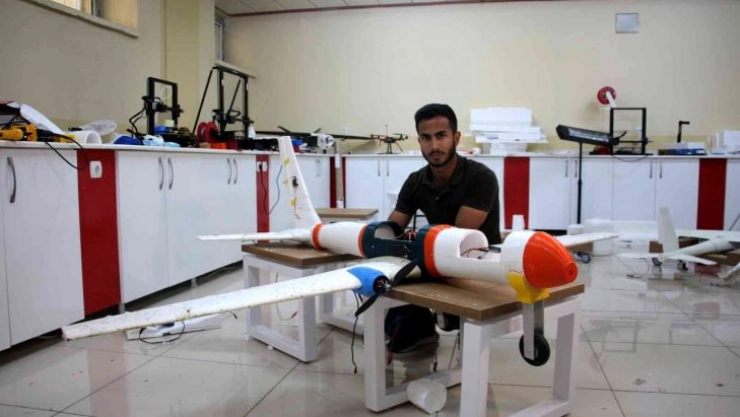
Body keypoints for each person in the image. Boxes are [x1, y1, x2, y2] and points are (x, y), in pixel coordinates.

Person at [385, 103, 501, 354]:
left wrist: (412, 239)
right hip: (437, 256)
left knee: (415, 268)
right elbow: (392, 226)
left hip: (478, 263)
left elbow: (457, 237)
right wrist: (378, 239)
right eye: (426, 138)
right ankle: (421, 330)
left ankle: (443, 321)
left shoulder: (481, 177)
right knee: (388, 275)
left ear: (456, 138)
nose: (434, 145)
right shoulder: (416, 180)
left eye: (441, 136)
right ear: (419, 140)